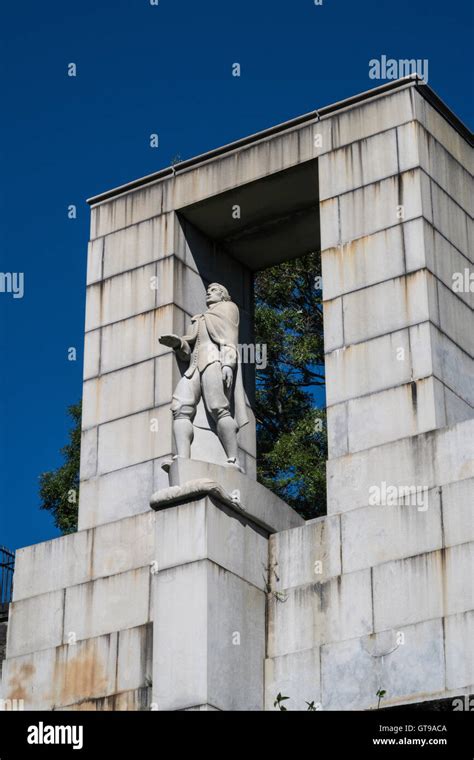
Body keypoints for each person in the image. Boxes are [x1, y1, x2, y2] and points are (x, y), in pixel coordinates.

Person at [159, 282, 249, 468]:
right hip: (194, 365)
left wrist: (228, 364)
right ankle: (182, 458)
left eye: (214, 290)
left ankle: (232, 458)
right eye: (208, 290)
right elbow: (188, 350)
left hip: (214, 361)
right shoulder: (199, 319)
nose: (209, 292)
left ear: (224, 295)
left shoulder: (228, 308)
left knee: (218, 408)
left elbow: (229, 339)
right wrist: (178, 344)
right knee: (180, 407)